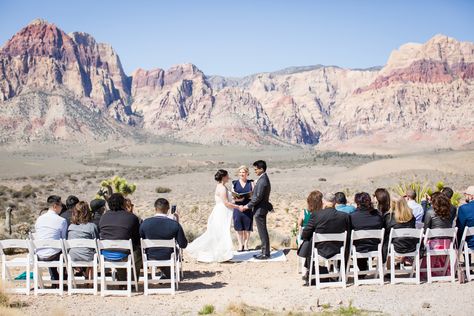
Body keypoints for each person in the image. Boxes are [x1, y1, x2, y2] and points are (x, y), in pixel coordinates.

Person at [186, 170, 241, 262]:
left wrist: (237, 201)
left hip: (222, 211)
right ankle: (222, 255)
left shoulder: (222, 186)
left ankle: (223, 254)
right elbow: (226, 203)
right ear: (223, 177)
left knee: (221, 232)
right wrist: (238, 207)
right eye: (227, 176)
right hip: (222, 212)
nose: (228, 177)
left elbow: (227, 201)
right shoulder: (222, 188)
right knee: (221, 232)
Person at [301, 192, 351, 285]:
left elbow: (305, 234)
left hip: (320, 250)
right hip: (338, 249)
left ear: (323, 201)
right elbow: (348, 234)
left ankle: (309, 273)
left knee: (308, 242)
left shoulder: (316, 215)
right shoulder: (344, 216)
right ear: (335, 202)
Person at [139, 198, 188, 278]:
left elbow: (140, 240)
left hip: (150, 256)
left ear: (155, 208)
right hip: (169, 256)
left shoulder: (145, 223)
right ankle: (168, 274)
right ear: (168, 209)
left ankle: (166, 274)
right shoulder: (174, 224)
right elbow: (183, 244)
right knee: (172, 251)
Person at [99, 193, 142, 280]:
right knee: (138, 253)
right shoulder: (132, 217)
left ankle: (122, 281)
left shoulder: (103, 217)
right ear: (123, 203)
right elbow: (137, 239)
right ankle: (133, 281)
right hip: (124, 253)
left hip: (106, 254)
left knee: (118, 251)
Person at [240, 160, 273, 260]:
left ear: (261, 169)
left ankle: (265, 253)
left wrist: (247, 206)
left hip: (260, 210)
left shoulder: (263, 181)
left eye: (256, 169)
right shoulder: (262, 179)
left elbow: (257, 197)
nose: (255, 171)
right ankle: (264, 251)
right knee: (262, 231)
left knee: (262, 231)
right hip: (260, 209)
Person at [35, 195, 68, 283]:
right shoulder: (61, 221)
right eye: (61, 205)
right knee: (62, 250)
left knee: (51, 248)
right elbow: (63, 240)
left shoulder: (39, 219)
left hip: (39, 255)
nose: (61, 207)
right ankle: (64, 279)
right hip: (53, 255)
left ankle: (54, 278)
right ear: (55, 206)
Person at [421, 192, 454, 277]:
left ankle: (428, 270)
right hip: (447, 245)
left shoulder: (429, 212)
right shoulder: (450, 212)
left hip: (433, 246)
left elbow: (426, 230)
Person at [350, 192, 383, 271]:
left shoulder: (352, 216)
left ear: (357, 202)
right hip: (375, 247)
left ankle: (362, 268)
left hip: (358, 248)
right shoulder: (378, 215)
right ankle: (363, 267)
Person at [67, 201, 99, 279]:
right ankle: (91, 281)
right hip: (88, 256)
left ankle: (85, 275)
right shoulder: (92, 226)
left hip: (73, 256)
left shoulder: (71, 227)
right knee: (94, 254)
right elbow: (97, 244)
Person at [382, 195, 417, 263]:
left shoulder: (389, 217)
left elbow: (385, 233)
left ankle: (389, 268)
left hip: (395, 247)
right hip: (410, 246)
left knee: (386, 241)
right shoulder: (411, 217)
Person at [232, 166, 254, 251]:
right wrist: (237, 199)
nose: (242, 174)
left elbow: (254, 195)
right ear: (238, 173)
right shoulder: (234, 183)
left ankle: (246, 244)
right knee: (239, 227)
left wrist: (248, 198)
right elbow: (231, 197)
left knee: (247, 227)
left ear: (247, 173)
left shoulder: (251, 183)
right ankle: (240, 245)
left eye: (243, 172)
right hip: (237, 207)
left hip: (248, 207)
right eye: (240, 172)